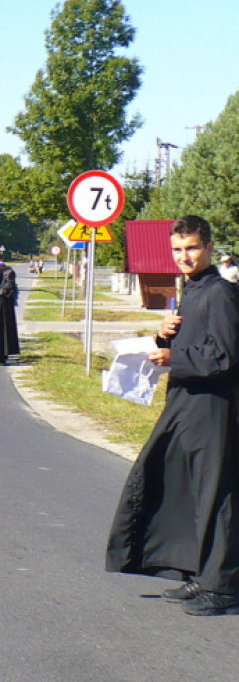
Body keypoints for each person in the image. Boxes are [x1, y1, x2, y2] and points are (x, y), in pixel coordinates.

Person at [106, 215, 239, 616]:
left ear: (210, 247)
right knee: (189, 487)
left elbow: (225, 357)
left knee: (217, 494)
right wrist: (165, 334)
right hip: (185, 402)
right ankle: (200, 574)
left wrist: (172, 356)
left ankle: (224, 586)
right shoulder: (194, 290)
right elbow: (199, 342)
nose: (185, 256)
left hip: (212, 408)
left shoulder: (220, 293)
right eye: (178, 249)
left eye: (193, 248)